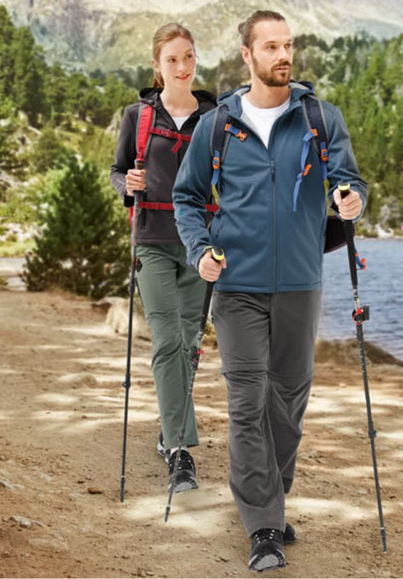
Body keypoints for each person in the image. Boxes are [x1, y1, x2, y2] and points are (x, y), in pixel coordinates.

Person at [172, 10, 367, 572]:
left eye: (289, 46)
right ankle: (262, 527)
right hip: (236, 285)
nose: (284, 56)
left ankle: (270, 500)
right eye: (272, 47)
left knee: (288, 404)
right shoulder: (219, 125)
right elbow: (188, 198)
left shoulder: (319, 120)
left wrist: (349, 198)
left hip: (302, 282)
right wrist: (200, 250)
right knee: (247, 402)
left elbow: (349, 182)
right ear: (247, 56)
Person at [110, 23, 217, 493]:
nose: (182, 67)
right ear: (158, 66)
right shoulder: (138, 115)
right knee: (168, 338)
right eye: (172, 59)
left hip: (201, 246)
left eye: (189, 57)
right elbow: (118, 171)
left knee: (191, 342)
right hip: (151, 240)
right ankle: (179, 450)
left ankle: (168, 427)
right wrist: (126, 186)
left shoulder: (215, 116)